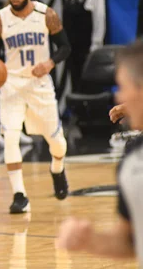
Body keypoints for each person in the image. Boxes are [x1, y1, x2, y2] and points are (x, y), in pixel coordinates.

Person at [0, 0, 71, 214]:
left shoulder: (47, 15)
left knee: (56, 142)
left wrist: (49, 63)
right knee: (11, 136)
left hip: (39, 84)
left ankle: (57, 168)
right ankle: (19, 195)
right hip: (11, 84)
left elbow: (65, 47)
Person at [57, 39, 143, 266]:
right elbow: (130, 241)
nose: (118, 97)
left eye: (124, 87)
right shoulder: (133, 158)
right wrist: (89, 241)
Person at [64, 0, 106, 92]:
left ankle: (91, 112)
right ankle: (77, 111)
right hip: (72, 49)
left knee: (88, 84)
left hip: (86, 49)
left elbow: (99, 22)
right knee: (75, 82)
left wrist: (95, 46)